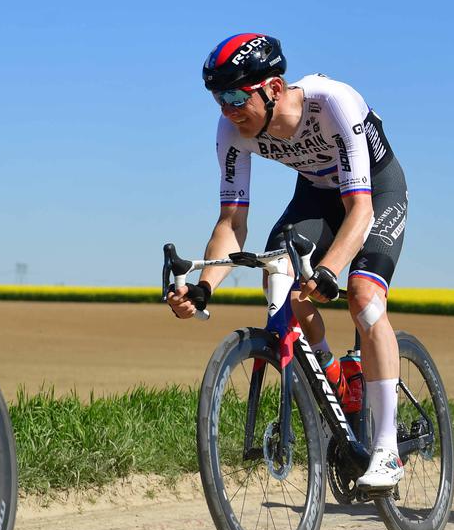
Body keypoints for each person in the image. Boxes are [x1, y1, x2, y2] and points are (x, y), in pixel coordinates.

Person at [167, 33, 409, 489]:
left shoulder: (333, 103)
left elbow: (361, 211)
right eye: (219, 97)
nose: (228, 109)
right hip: (317, 196)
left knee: (363, 297)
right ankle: (338, 380)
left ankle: (387, 449)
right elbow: (232, 223)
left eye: (238, 94)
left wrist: (330, 270)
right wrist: (205, 287)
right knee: (281, 281)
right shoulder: (233, 132)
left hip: (375, 191)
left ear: (274, 88)